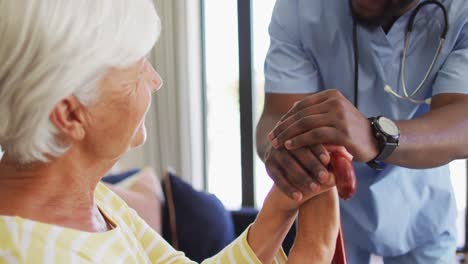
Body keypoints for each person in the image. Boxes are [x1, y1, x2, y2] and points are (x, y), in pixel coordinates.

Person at [0, 0, 341, 263]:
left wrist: (282, 203)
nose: (155, 80)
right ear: (71, 114)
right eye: (137, 70)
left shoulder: (96, 201)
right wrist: (313, 247)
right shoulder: (23, 252)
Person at [256, 0, 468, 263]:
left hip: (421, 210)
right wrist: (279, 147)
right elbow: (278, 115)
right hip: (332, 216)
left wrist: (376, 135)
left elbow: (463, 120)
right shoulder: (300, 6)